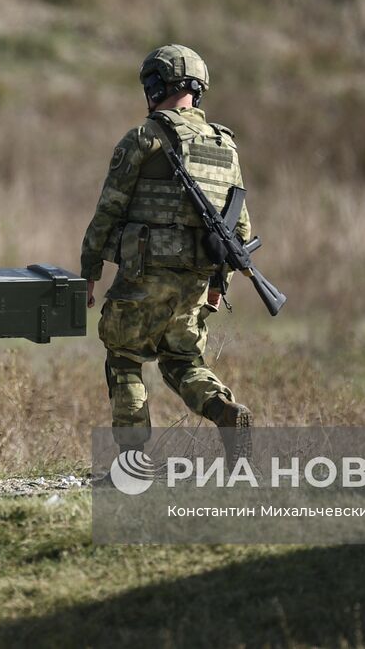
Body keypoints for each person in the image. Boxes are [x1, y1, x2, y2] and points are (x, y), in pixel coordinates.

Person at [80, 44, 254, 456]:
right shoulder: (225, 147)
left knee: (123, 356)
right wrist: (218, 283)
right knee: (183, 360)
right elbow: (239, 228)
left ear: (156, 86)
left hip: (144, 275)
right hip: (196, 279)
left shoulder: (144, 139)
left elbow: (108, 211)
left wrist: (90, 271)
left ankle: (132, 464)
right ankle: (227, 412)